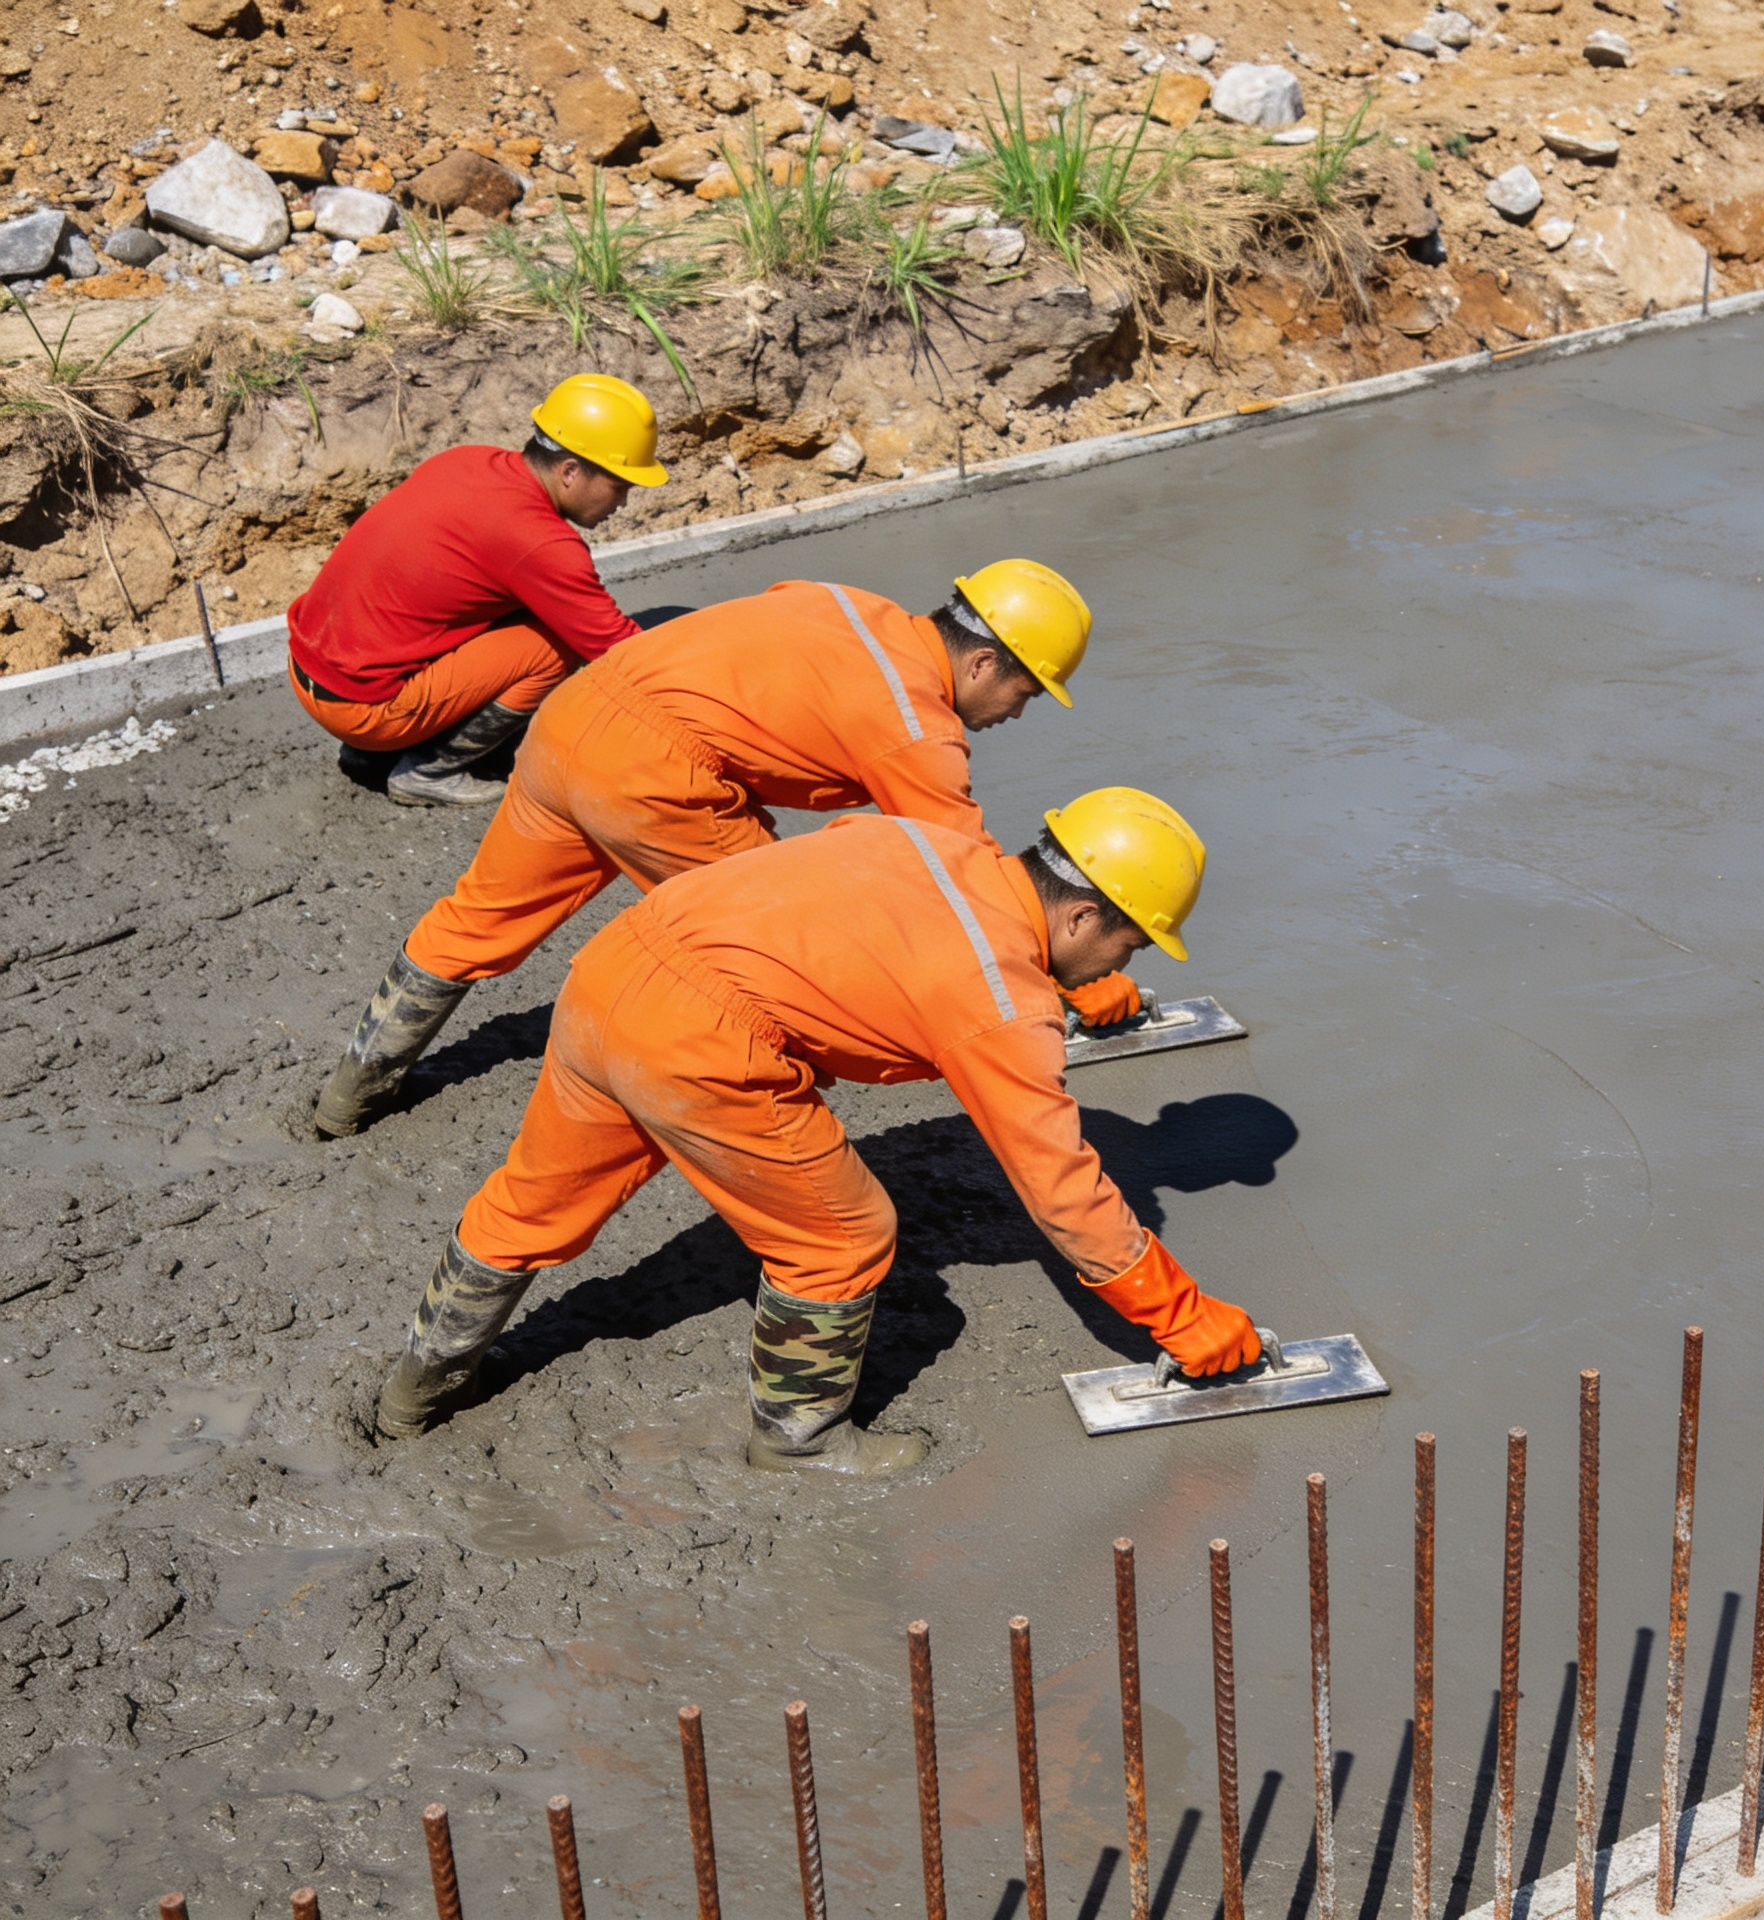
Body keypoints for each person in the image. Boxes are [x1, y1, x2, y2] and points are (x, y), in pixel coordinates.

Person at [372, 787, 1264, 1474]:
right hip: (703, 1042)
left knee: (534, 1199)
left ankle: (415, 1394)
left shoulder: (925, 840)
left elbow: (857, 911)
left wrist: (1062, 981)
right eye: (1129, 945)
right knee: (843, 1236)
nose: (1123, 962)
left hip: (617, 969)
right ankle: (800, 1442)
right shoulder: (1003, 1003)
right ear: (1081, 916)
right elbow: (1062, 1190)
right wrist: (1184, 1322)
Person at [311, 560, 1147, 1140]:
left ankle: (348, 1096)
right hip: (655, 780)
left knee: (480, 916)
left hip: (575, 718)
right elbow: (969, 889)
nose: (1018, 713)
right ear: (987, 660)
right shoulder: (917, 728)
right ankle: (730, 1118)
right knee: (762, 945)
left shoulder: (843, 600)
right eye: (1025, 692)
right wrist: (1065, 981)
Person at [286, 373, 668, 808]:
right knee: (557, 644)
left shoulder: (466, 461)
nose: (623, 502)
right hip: (361, 709)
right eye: (620, 486)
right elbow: (619, 650)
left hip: (310, 665)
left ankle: (373, 754)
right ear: (570, 471)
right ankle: (428, 771)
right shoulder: (541, 543)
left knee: (517, 607)